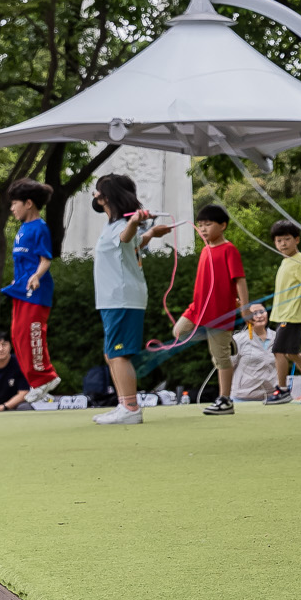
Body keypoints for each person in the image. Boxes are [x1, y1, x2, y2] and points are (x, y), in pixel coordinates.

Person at [90, 173, 171, 427]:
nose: (93, 195)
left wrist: (137, 223)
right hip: (113, 298)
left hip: (121, 298)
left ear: (106, 197)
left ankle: (131, 407)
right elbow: (133, 242)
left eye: (97, 191)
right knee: (110, 354)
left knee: (118, 354)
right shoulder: (113, 225)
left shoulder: (122, 227)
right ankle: (124, 404)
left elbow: (126, 237)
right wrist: (151, 233)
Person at [171, 205, 248, 414]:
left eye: (208, 224)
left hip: (220, 312)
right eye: (200, 225)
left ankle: (225, 401)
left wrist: (244, 306)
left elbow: (239, 280)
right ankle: (227, 342)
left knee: (220, 358)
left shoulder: (229, 249)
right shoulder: (205, 249)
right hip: (198, 309)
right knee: (179, 332)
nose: (203, 229)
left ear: (222, 226)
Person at [2, 177, 59, 391]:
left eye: (14, 203)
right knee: (18, 334)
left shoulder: (39, 228)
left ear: (28, 203)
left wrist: (36, 276)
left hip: (36, 291)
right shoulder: (23, 229)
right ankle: (37, 382)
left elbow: (45, 259)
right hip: (21, 289)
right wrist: (19, 279)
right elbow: (25, 261)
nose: (11, 208)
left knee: (33, 333)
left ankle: (46, 377)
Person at [264, 219, 301, 404]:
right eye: (279, 240)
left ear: (296, 240)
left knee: (280, 351)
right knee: (289, 352)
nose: (283, 243)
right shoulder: (286, 261)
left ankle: (282, 390)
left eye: (287, 239)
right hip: (281, 315)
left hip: (291, 315)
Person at [230, 303, 283, 401]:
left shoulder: (278, 338)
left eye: (262, 312)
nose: (259, 316)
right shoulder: (238, 340)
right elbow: (227, 367)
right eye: (254, 313)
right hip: (241, 398)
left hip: (272, 398)